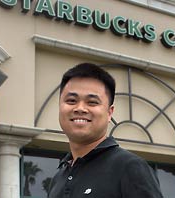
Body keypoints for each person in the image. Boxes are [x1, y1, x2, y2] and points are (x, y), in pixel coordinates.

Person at [48, 63, 163, 198]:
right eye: (71, 100)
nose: (80, 108)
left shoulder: (129, 167)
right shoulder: (58, 178)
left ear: (109, 112)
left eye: (92, 102)